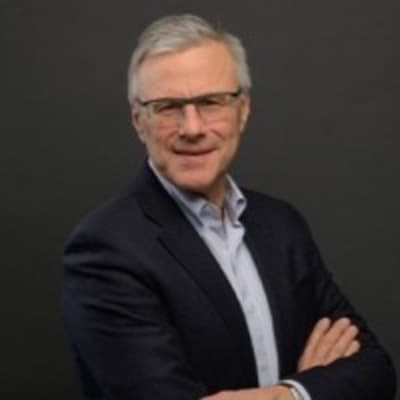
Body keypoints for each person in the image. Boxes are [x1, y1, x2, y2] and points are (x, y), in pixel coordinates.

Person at [61, 14, 396, 400]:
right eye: (168, 107)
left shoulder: (281, 225)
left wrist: (284, 395)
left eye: (210, 102)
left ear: (243, 109)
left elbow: (376, 372)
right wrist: (315, 388)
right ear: (139, 121)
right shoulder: (105, 249)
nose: (192, 128)